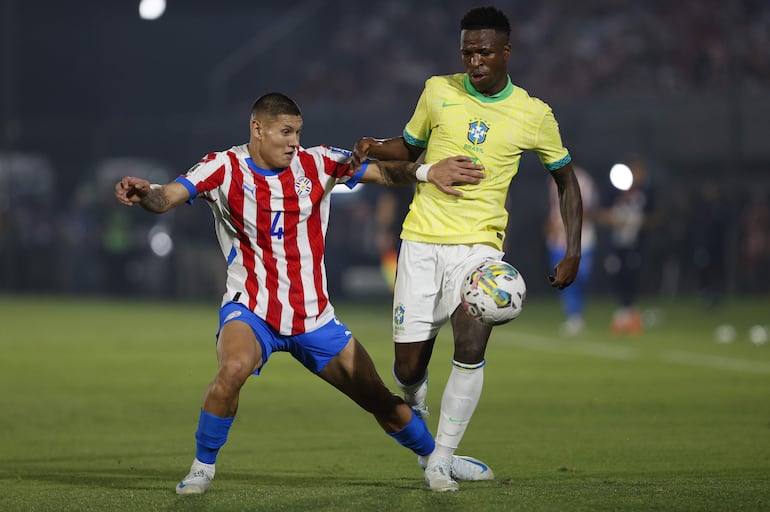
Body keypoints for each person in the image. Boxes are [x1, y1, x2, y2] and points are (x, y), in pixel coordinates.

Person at [113, 92, 488, 495]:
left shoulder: (319, 161)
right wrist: (145, 192)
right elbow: (167, 196)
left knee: (378, 398)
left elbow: (383, 172)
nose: (295, 141)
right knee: (233, 369)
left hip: (314, 318)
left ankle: (436, 458)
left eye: (299, 132)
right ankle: (202, 467)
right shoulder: (222, 167)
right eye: (286, 132)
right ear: (257, 129)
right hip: (252, 309)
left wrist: (428, 172)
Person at [350, 6, 583, 492]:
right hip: (421, 243)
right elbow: (412, 149)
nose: (474, 61)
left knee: (471, 343)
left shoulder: (534, 114)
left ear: (506, 53)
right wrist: (375, 145)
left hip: (480, 250)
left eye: (483, 52)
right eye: (467, 52)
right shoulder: (438, 90)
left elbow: (566, 180)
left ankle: (442, 461)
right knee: (407, 368)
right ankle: (428, 442)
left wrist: (573, 250)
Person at [595, 155, 655, 335]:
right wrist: (616, 220)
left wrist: (636, 221)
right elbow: (600, 214)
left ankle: (628, 311)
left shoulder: (646, 192)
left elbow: (654, 217)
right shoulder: (613, 189)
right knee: (615, 273)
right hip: (614, 242)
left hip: (635, 242)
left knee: (632, 274)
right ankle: (625, 309)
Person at [544, 165, 597, 336]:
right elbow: (553, 206)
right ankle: (574, 317)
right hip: (557, 240)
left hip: (582, 238)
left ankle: (577, 313)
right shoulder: (552, 179)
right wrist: (551, 225)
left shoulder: (583, 179)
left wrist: (572, 225)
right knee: (564, 279)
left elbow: (588, 207)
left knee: (581, 276)